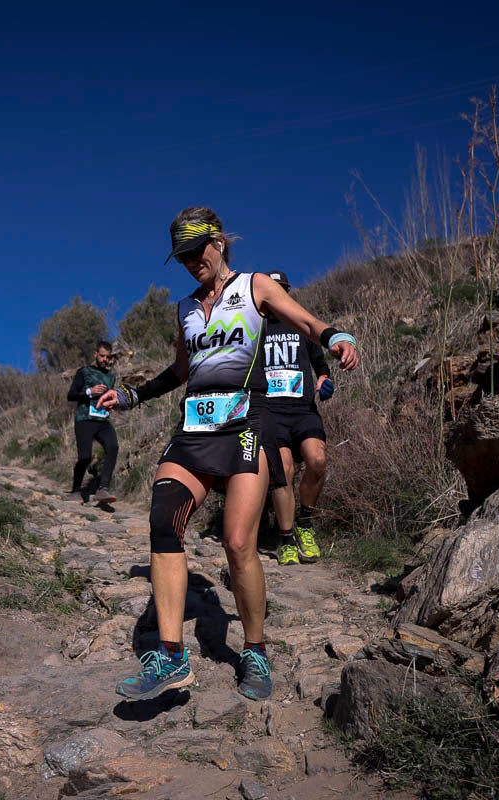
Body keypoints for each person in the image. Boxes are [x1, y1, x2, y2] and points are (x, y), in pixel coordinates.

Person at [98, 207, 359, 702]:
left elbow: (303, 319)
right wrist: (132, 396)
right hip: (195, 426)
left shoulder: (255, 286)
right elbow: (179, 370)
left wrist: (334, 335)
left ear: (219, 242)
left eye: (198, 250)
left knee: (239, 543)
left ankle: (255, 648)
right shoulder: (186, 308)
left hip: (245, 424)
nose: (192, 261)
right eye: (182, 256)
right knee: (162, 520)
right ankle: (171, 656)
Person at [262, 270, 342, 567]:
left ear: (288, 292)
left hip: (303, 411)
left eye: (281, 289)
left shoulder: (302, 326)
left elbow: (321, 365)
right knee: (282, 470)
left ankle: (305, 524)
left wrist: (324, 380)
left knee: (317, 461)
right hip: (271, 413)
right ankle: (285, 540)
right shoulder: (255, 329)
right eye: (272, 290)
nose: (276, 295)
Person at [65, 341, 119, 504]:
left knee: (113, 447)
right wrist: (89, 392)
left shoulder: (111, 376)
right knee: (84, 457)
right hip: (85, 420)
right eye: (102, 356)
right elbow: (71, 395)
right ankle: (75, 490)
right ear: (95, 354)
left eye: (108, 357)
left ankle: (103, 489)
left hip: (103, 420)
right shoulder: (84, 372)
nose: (105, 360)